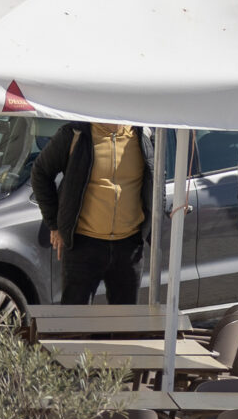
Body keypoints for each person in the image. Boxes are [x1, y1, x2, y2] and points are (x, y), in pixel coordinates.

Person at [30, 120, 150, 305]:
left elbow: (155, 182)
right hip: (83, 245)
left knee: (126, 328)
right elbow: (40, 173)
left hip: (129, 246)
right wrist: (54, 224)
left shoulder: (144, 135)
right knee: (75, 327)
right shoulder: (75, 133)